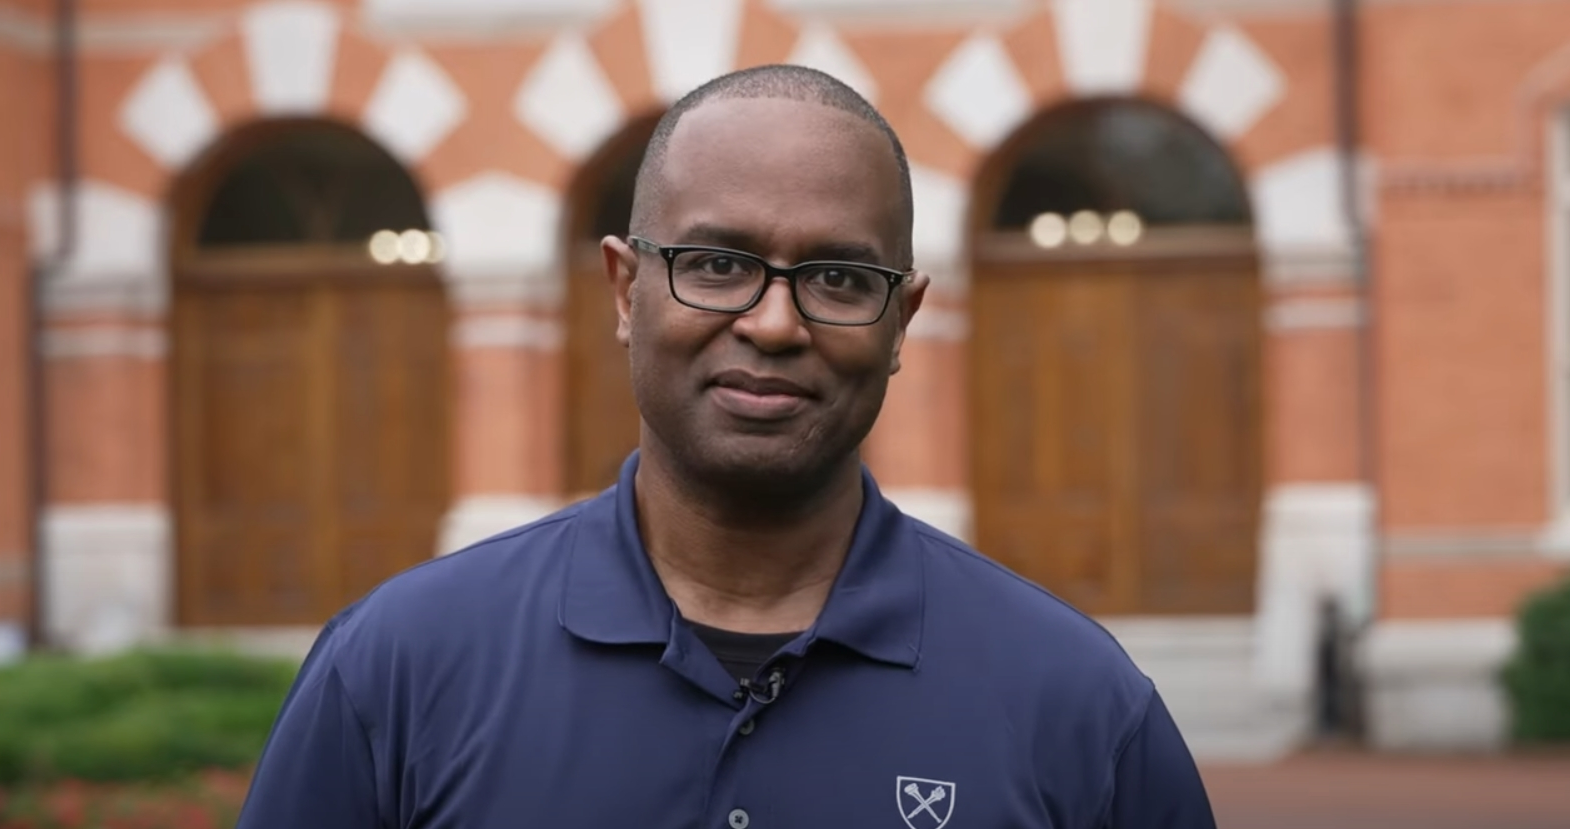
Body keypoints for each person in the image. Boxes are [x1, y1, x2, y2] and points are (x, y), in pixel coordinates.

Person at [234, 65, 1217, 829]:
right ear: (626, 292)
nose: (776, 323)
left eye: (837, 276)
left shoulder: (1076, 702)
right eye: (716, 263)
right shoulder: (398, 669)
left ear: (902, 320)